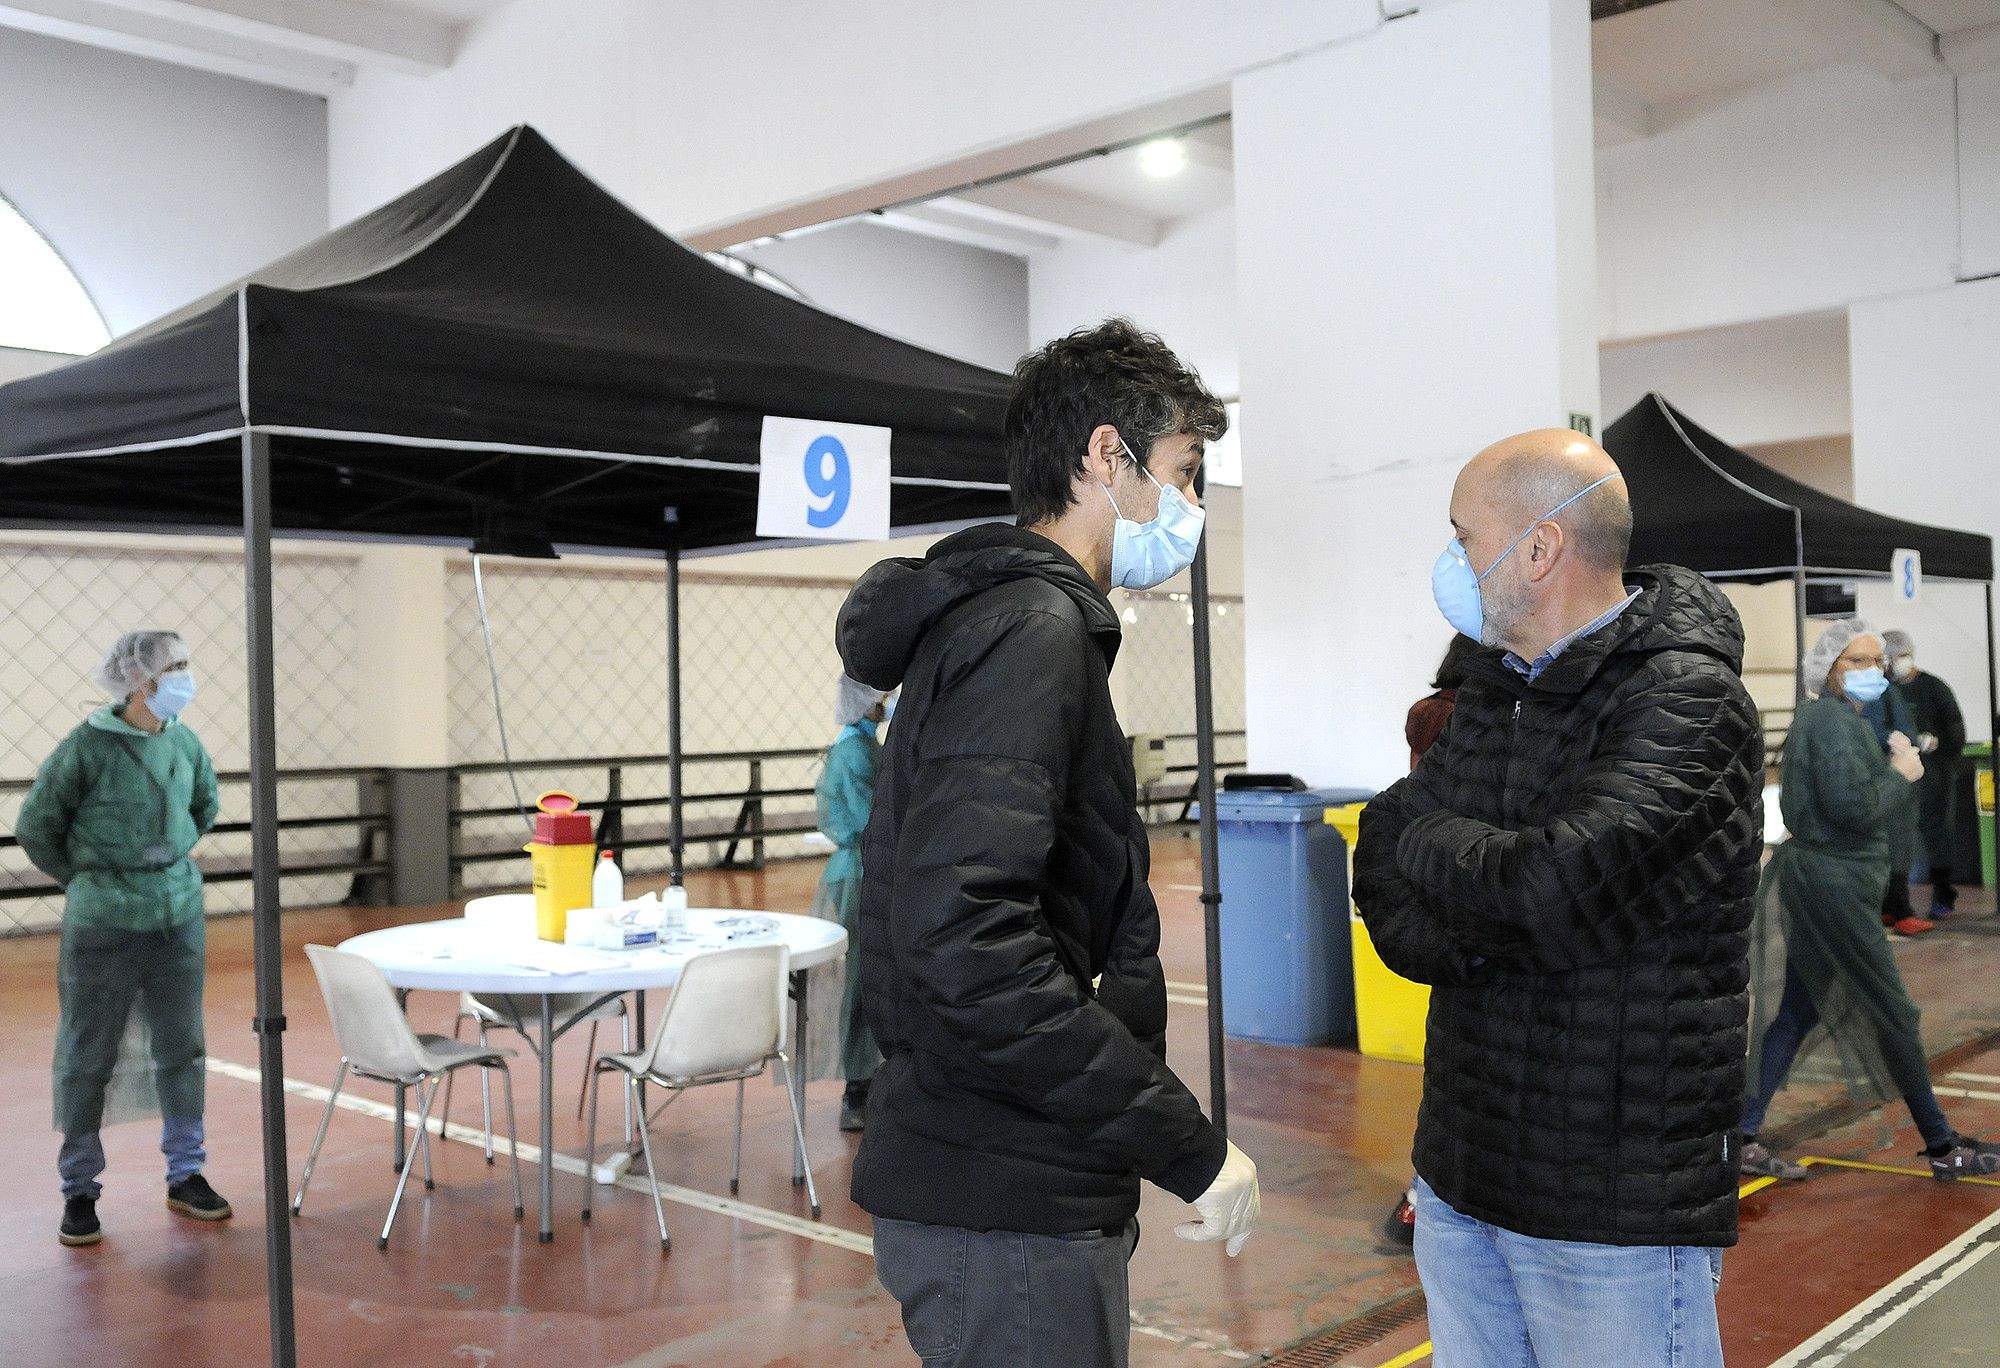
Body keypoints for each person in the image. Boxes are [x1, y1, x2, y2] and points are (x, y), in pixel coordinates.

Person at [837, 319, 1257, 1367]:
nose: (1191, 508)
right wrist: (1181, 1142)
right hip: (1004, 1189)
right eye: (1182, 473)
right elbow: (969, 943)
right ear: (1106, 459)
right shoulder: (1031, 631)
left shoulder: (1005, 620)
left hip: (1007, 1165)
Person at [1353, 430, 1765, 1368]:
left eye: (1464, 538)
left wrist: (1456, 864)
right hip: (1461, 1180)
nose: (1452, 564)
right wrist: (1502, 912)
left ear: (1537, 550)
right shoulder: (1492, 687)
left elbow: (1551, 886)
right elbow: (1387, 883)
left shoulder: (1687, 703)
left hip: (1606, 1210)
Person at [1738, 620, 2000, 1183]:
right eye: (1858, 662)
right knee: (1895, 1014)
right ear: (1830, 669)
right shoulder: (1832, 723)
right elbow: (1852, 810)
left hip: (1825, 884)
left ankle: (1743, 1133)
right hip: (1833, 888)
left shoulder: (1835, 719)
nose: (1873, 672)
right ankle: (1940, 1143)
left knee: (1799, 1011)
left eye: (1877, 662)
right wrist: (1901, 774)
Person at [17, 630, 230, 1249]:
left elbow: (204, 806)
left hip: (177, 913)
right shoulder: (86, 749)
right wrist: (93, 876)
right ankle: (79, 1188)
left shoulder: (184, 742)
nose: (186, 678)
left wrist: (165, 862)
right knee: (90, 1048)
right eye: (176, 668)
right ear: (141, 680)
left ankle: (186, 1172)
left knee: (182, 1045)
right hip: (104, 921)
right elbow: (38, 827)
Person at [1384, 633, 1479, 1250]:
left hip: (1438, 884)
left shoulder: (1429, 712)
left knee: (1453, 1056)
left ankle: (1425, 1190)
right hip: (1469, 882)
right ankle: (1425, 1192)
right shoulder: (1465, 717)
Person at [802, 674, 888, 1132]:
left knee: (868, 975)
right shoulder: (856, 753)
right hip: (858, 876)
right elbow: (870, 817)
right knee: (860, 979)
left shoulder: (860, 746)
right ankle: (857, 1087)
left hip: (862, 871)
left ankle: (869, 1077)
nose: (886, 704)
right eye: (880, 698)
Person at [1886, 629, 1968, 919]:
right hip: (1900, 779)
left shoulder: (1934, 689)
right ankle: (1895, 902)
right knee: (1897, 838)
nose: (1891, 664)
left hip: (1935, 776)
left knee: (1937, 836)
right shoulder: (1887, 690)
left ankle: (1944, 893)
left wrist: (1937, 743)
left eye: (1894, 658)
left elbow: (1956, 731)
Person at [1860, 667, 1933, 937]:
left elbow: (1901, 727)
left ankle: (1894, 906)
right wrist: (1887, 739)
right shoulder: (1857, 700)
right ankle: (1898, 910)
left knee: (1898, 844)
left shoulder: (1884, 691)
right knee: (1892, 844)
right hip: (1883, 778)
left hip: (1893, 777)